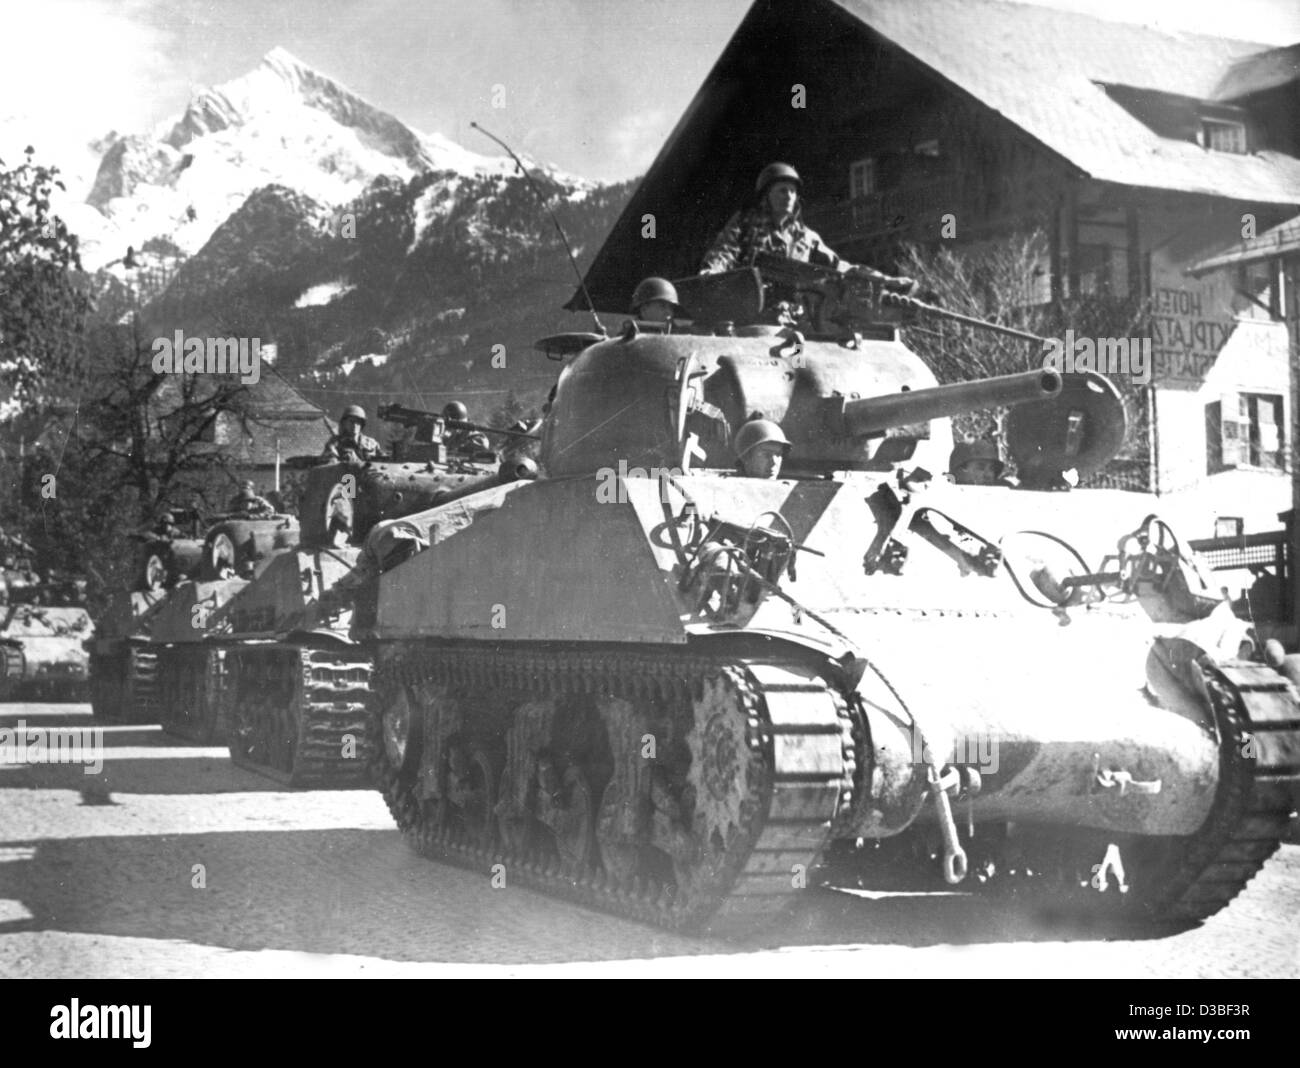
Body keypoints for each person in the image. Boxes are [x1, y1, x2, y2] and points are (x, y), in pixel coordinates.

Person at [700, 162, 915, 291]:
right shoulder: (745, 223)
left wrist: (885, 281)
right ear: (767, 195)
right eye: (782, 190)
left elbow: (840, 266)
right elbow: (724, 252)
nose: (789, 196)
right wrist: (711, 272)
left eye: (793, 192)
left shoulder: (805, 238)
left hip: (795, 313)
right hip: (751, 306)